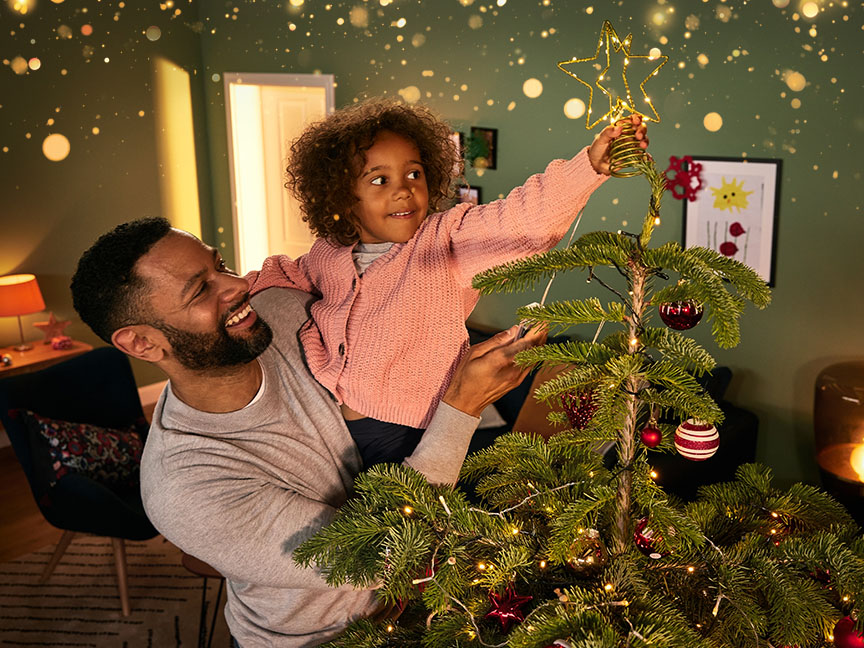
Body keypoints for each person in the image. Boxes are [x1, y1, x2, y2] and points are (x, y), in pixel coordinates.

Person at [69, 218, 547, 647]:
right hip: (321, 639)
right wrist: (462, 404)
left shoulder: (284, 310)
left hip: (422, 602)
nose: (238, 285)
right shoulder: (186, 486)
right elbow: (379, 556)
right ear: (141, 342)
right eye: (200, 290)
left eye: (221, 265)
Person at [247, 99, 648, 468]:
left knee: (428, 529)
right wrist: (226, 288)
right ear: (341, 197)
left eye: (413, 173)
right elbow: (283, 273)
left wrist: (588, 169)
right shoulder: (328, 254)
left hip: (420, 429)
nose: (404, 189)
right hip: (340, 431)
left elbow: (520, 220)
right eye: (378, 180)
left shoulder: (445, 242)